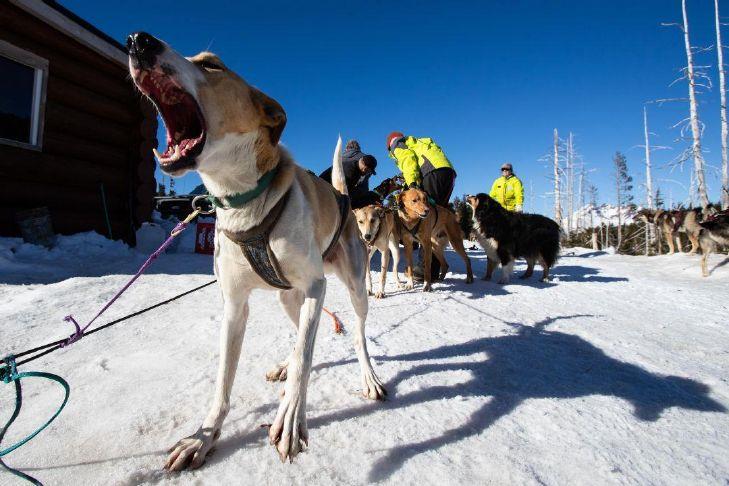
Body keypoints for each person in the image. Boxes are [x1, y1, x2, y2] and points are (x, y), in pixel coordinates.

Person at [386, 131, 457, 281]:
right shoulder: (418, 143)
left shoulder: (397, 145)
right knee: (434, 219)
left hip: (432, 173)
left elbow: (408, 161)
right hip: (448, 173)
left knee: (425, 218)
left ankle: (423, 270)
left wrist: (411, 185)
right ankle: (433, 269)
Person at [320, 139, 380, 209]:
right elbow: (344, 194)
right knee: (371, 197)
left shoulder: (350, 163)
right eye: (369, 172)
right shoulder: (351, 172)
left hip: (324, 188)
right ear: (365, 168)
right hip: (327, 194)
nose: (368, 174)